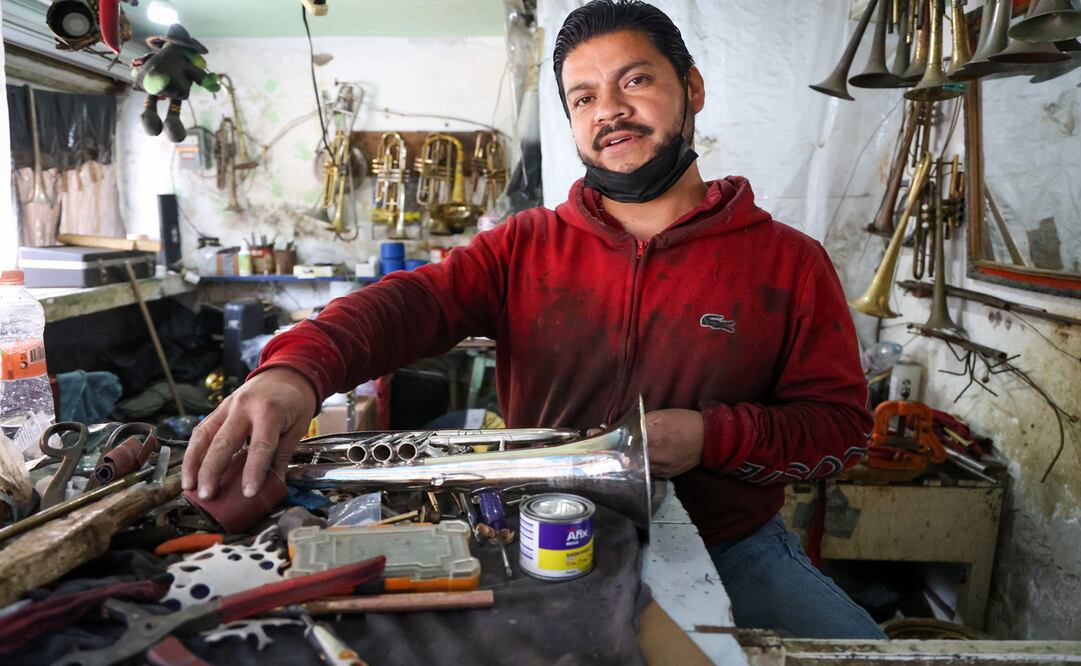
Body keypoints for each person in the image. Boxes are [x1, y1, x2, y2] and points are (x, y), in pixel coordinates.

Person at [183, 0, 884, 639]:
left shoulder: (789, 262)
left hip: (729, 544)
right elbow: (414, 302)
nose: (608, 110)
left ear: (691, 89)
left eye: (634, 81)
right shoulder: (522, 245)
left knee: (868, 655)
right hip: (536, 538)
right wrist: (297, 369)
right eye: (583, 97)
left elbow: (841, 432)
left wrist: (713, 436)